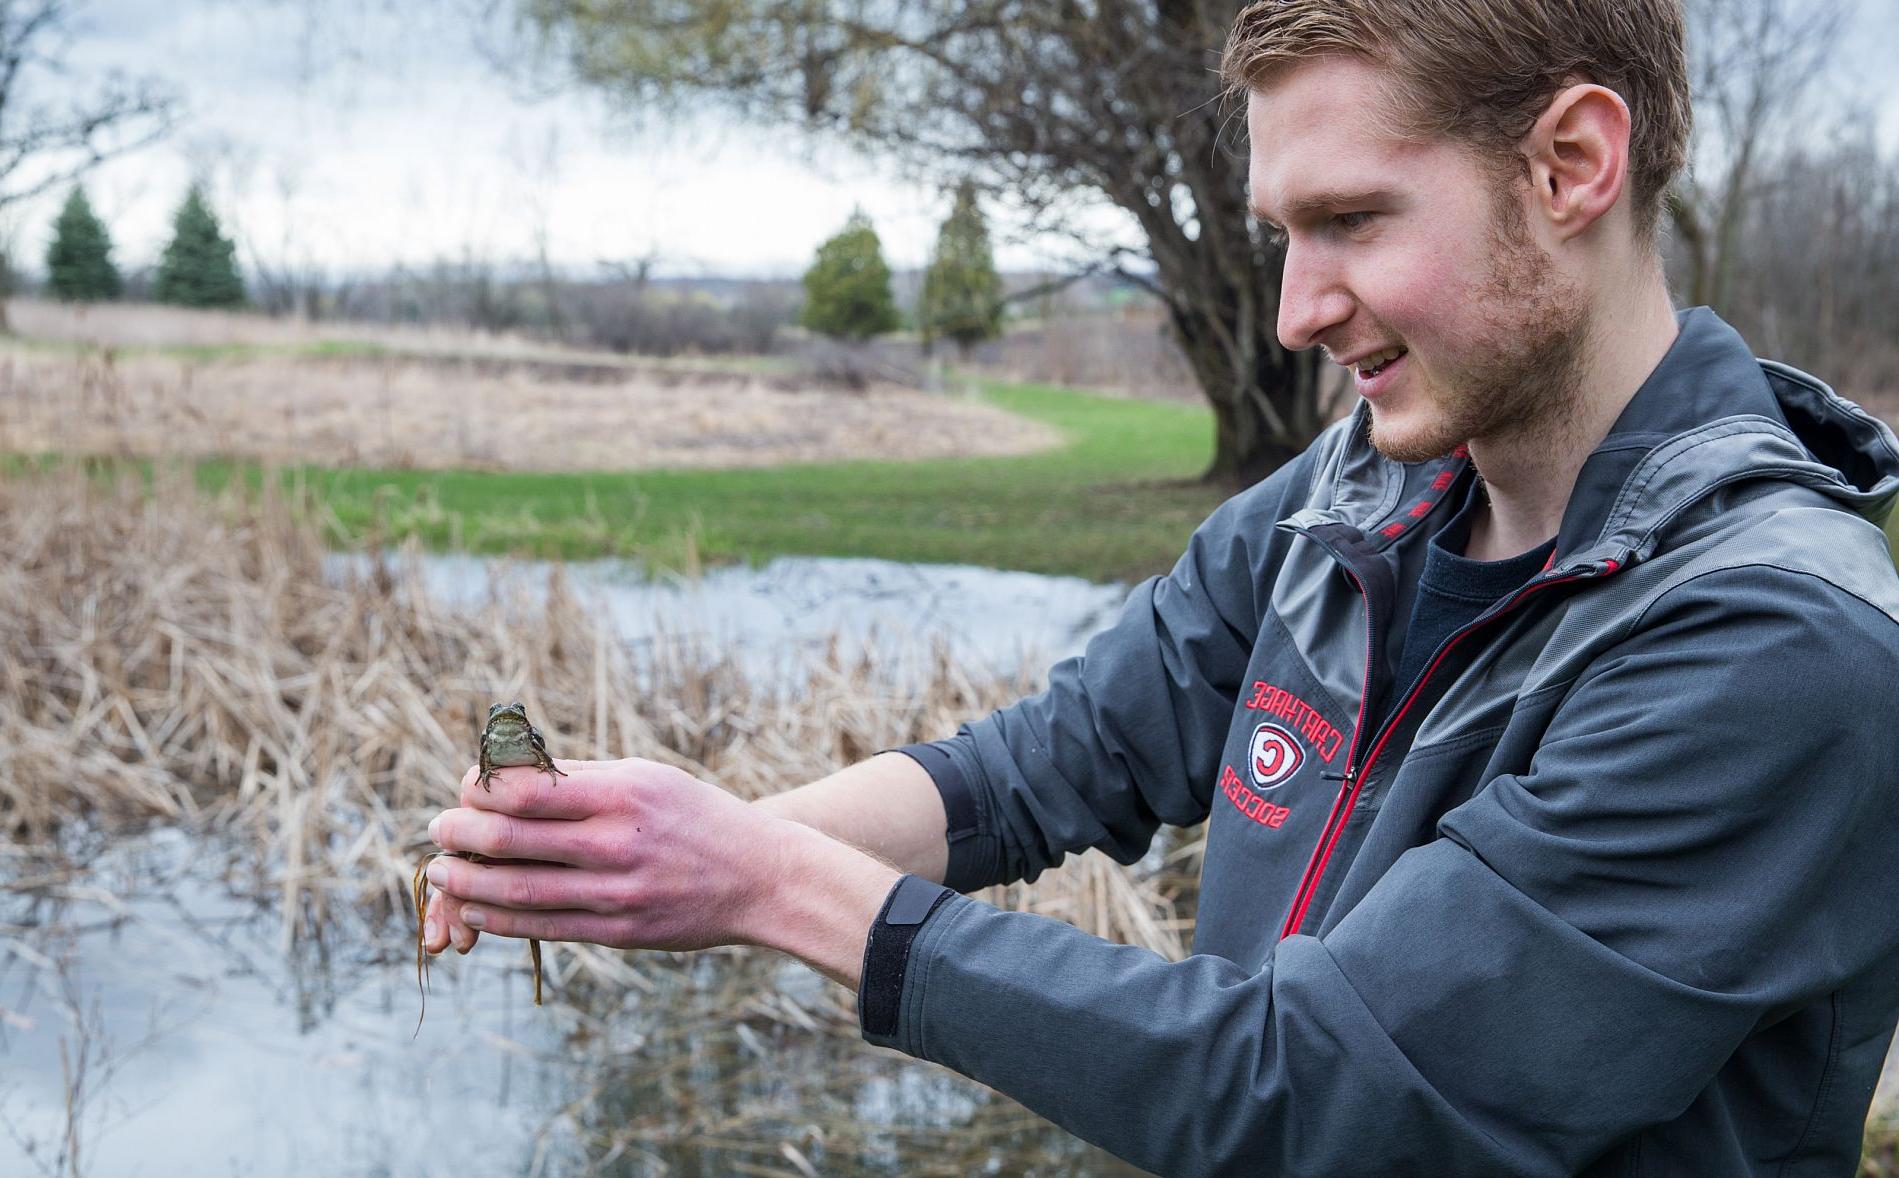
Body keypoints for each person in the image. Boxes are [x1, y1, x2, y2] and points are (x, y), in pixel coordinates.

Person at [420, 0, 1899, 1171]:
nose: (1296, 308)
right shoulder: (1352, 498)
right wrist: (629, 851)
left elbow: (1318, 1096)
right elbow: (1047, 764)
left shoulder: (1773, 645)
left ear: (1572, 163)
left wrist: (766, 882)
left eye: (1353, 220)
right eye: (1282, 235)